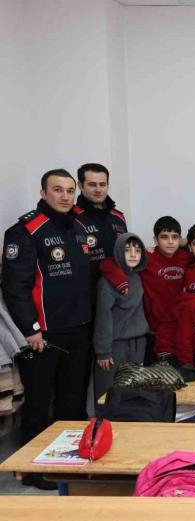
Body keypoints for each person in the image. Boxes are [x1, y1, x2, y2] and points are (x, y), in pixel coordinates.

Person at [3, 169, 91, 490]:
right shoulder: (25, 231)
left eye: (70, 190)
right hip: (44, 335)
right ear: (43, 193)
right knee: (39, 404)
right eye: (58, 190)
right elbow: (16, 287)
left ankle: (67, 463)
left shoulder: (78, 226)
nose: (65, 196)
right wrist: (31, 329)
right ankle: (34, 470)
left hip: (78, 329)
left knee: (72, 402)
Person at [93, 233, 149, 400]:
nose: (133, 254)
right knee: (108, 393)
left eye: (137, 250)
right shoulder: (108, 281)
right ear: (118, 252)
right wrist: (103, 351)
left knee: (133, 394)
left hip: (138, 343)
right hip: (116, 346)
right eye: (127, 250)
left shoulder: (137, 276)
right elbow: (103, 317)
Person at [140, 216, 190, 362]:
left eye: (174, 237)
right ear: (155, 240)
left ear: (180, 239)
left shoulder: (187, 258)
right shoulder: (145, 257)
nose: (170, 241)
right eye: (164, 237)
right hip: (153, 329)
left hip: (180, 326)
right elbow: (114, 261)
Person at [73, 163, 128, 278]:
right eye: (92, 184)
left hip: (118, 286)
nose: (98, 190)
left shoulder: (119, 217)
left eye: (102, 184)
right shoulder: (71, 217)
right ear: (80, 185)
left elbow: (126, 253)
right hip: (85, 287)